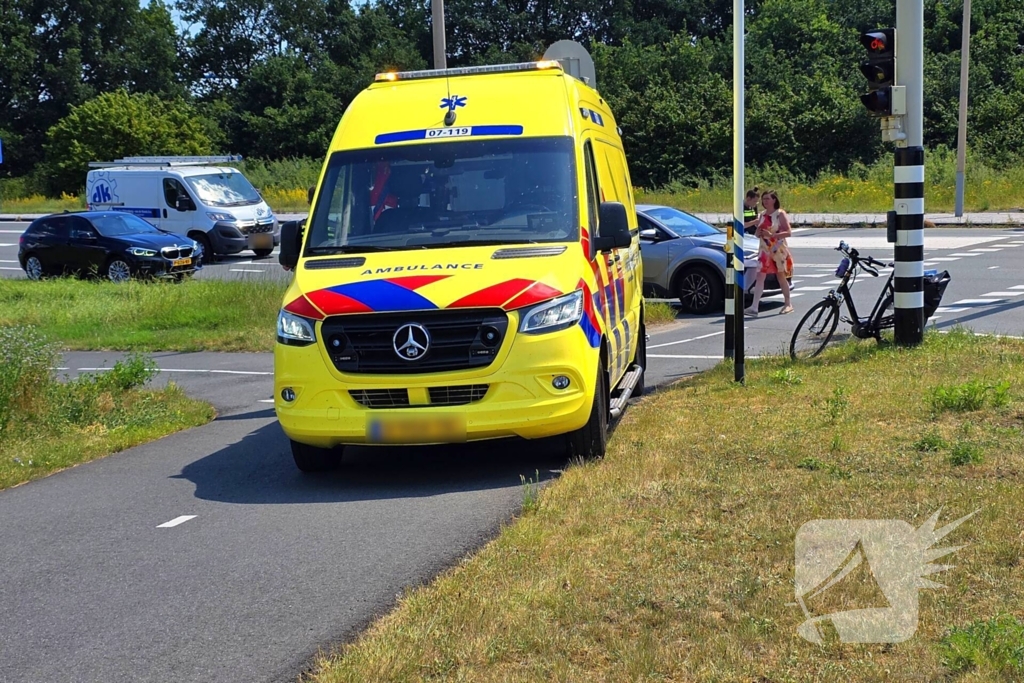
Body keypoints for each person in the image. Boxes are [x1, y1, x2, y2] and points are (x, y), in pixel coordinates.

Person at [745, 189, 794, 317]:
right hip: (764, 250)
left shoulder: (779, 214)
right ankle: (754, 307)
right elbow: (757, 233)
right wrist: (759, 232)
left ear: (774, 200)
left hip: (777, 249)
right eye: (764, 199)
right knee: (760, 276)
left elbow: (788, 232)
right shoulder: (762, 214)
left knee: (781, 276)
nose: (765, 201)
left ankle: (788, 303)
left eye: (768, 198)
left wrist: (772, 235)